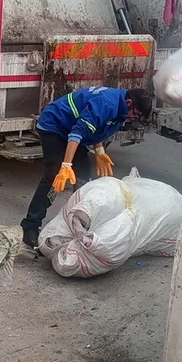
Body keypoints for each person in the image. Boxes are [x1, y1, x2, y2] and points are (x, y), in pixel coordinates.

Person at [20, 87, 153, 248]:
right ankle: (30, 227)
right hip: (54, 127)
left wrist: (99, 150)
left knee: (84, 175)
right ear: (129, 103)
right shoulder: (106, 103)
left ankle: (77, 223)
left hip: (71, 131)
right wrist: (66, 165)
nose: (133, 118)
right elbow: (77, 132)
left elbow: (97, 126)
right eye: (136, 114)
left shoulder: (121, 108)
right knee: (54, 177)